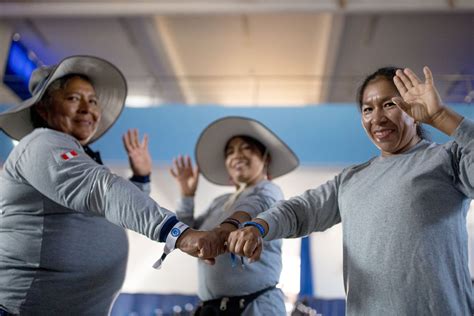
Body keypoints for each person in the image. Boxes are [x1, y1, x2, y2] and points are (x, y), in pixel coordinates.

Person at [227, 66, 474, 315]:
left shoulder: (447, 159)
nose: (377, 118)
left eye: (389, 104)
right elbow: (300, 210)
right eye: (368, 109)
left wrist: (441, 116)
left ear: (414, 111)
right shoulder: (351, 179)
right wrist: (258, 226)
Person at [0, 55, 223, 315]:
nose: (87, 108)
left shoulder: (75, 155)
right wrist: (178, 233)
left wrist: (140, 178)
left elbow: (111, 212)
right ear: (43, 108)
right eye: (73, 98)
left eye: (93, 100)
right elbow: (102, 190)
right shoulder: (41, 143)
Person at [170, 116, 299, 315]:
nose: (236, 155)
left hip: (255, 307)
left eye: (246, 148)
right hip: (212, 309)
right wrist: (187, 196)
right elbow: (186, 236)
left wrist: (227, 226)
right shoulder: (219, 202)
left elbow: (255, 205)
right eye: (230, 152)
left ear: (266, 158)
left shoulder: (269, 190)